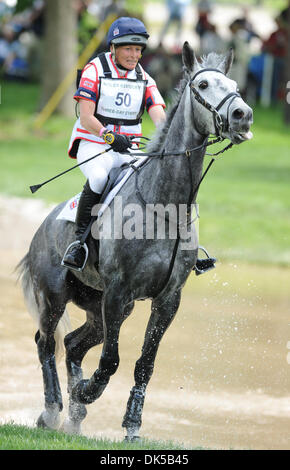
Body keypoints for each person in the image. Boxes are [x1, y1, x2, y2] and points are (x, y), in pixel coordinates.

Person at [62, 16, 166, 270]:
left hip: (129, 148)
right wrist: (109, 136)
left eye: (138, 49)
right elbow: (86, 117)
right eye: (128, 48)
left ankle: (176, 246)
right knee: (99, 177)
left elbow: (159, 115)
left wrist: (169, 138)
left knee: (161, 178)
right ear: (113, 48)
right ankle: (79, 243)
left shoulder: (144, 77)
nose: (134, 55)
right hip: (94, 143)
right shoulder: (94, 69)